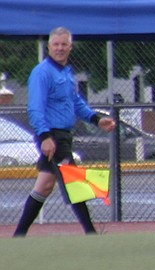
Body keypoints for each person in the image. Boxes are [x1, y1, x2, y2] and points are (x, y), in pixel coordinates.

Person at [13, 27, 116, 237]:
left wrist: (96, 119)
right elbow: (35, 107)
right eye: (56, 44)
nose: (60, 48)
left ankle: (18, 235)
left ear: (70, 47)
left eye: (64, 44)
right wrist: (44, 137)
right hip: (54, 137)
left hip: (64, 136)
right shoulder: (42, 72)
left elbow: (76, 102)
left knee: (44, 185)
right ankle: (91, 232)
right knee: (75, 182)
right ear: (49, 46)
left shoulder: (67, 72)